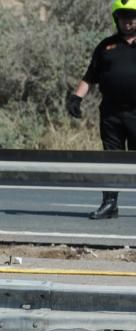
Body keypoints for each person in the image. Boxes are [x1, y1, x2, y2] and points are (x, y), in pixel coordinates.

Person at [68, 0, 136, 219]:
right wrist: (76, 97)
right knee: (111, 160)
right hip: (111, 113)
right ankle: (110, 204)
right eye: (124, 16)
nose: (128, 21)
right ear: (117, 19)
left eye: (132, 16)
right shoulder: (106, 46)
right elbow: (90, 76)